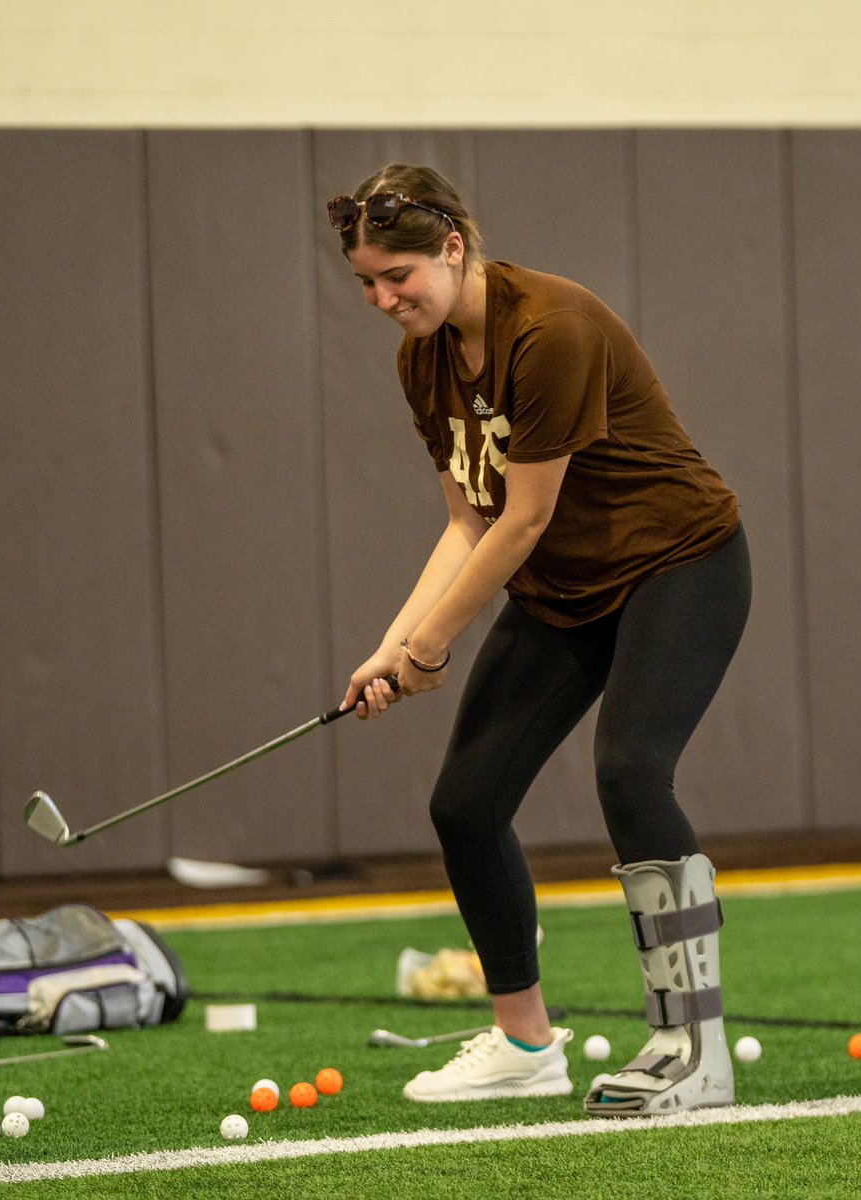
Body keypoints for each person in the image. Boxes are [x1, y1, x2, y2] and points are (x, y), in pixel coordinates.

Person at [328, 164, 752, 1115]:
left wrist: (431, 647)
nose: (384, 299)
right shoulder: (423, 359)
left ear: (453, 246)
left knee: (633, 771)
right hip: (566, 591)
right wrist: (391, 644)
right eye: (365, 281)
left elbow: (522, 518)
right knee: (466, 805)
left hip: (677, 564)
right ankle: (526, 1042)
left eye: (398, 275)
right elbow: (466, 523)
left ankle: (694, 1045)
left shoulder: (550, 329)